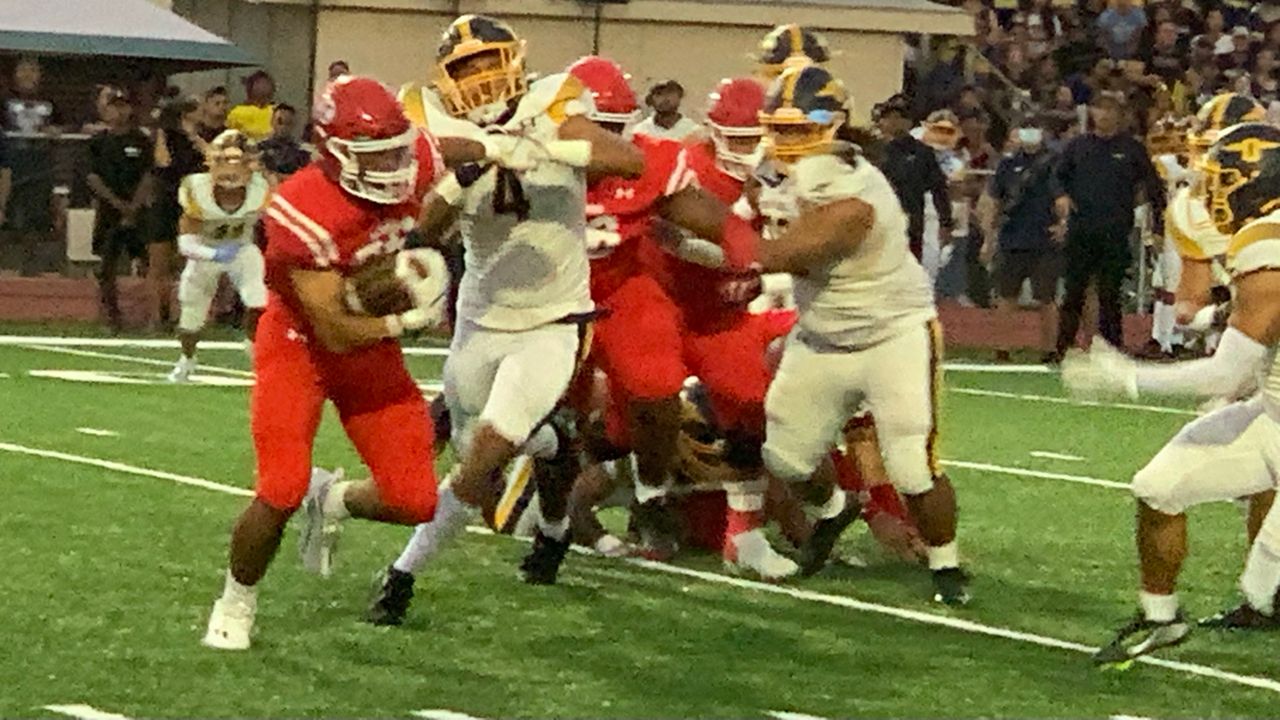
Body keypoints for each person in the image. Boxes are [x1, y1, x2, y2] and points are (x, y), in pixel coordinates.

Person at [365, 16, 647, 625]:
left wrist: (538, 146)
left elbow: (625, 160)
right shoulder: (432, 114)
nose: (481, 77)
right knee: (485, 442)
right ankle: (554, 469)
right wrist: (476, 164)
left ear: (514, 60)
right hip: (482, 316)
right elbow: (428, 206)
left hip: (555, 316)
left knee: (485, 453)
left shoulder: (551, 99)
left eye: (489, 61)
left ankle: (401, 575)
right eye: (465, 68)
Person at [201, 75, 492, 651]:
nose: (390, 163)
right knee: (279, 487)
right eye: (373, 154)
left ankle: (328, 498)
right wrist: (408, 320)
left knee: (416, 500)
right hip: (299, 342)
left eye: (395, 149)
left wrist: (508, 147)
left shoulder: (410, 155)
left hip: (367, 346)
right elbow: (332, 328)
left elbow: (460, 147)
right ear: (334, 154)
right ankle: (237, 598)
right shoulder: (300, 210)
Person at [1060, 121, 1280, 664]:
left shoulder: (1266, 244)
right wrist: (1213, 314)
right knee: (1158, 487)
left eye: (1222, 181)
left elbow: (1223, 376)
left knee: (1263, 588)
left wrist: (1129, 377)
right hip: (1273, 413)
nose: (1212, 194)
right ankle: (1161, 618)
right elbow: (1259, 310)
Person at [749, 64, 968, 604]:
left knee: (913, 466)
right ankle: (835, 509)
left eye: (801, 130)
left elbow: (783, 254)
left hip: (891, 334)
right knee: (785, 460)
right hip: (821, 336)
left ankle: (947, 565)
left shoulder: (854, 186)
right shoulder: (769, 172)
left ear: (833, 126)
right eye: (781, 128)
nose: (787, 142)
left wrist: (710, 238)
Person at [1051, 93, 1164, 360]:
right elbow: (1057, 176)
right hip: (1081, 228)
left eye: (1110, 110)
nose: (1103, 115)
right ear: (1092, 113)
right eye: (1099, 109)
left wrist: (1158, 224)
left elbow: (1153, 187)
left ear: (1120, 115)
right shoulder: (1078, 146)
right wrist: (1061, 196)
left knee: (1110, 292)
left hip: (1115, 229)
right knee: (1074, 291)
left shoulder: (1131, 149)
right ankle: (1062, 348)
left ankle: (1112, 348)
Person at [167, 131, 270, 383]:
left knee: (259, 300)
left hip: (241, 248)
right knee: (191, 312)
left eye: (237, 162)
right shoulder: (196, 188)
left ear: (250, 164)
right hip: (205, 250)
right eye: (224, 161)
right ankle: (187, 359)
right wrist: (214, 253)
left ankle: (254, 347)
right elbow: (185, 242)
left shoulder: (261, 188)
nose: (230, 170)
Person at [980, 121, 1063, 362]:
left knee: (1047, 298)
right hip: (1012, 237)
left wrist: (1063, 225)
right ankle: (1002, 349)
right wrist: (989, 237)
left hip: (1044, 239)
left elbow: (1063, 198)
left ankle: (1049, 349)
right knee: (1006, 296)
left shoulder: (1054, 163)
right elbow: (994, 201)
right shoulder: (1007, 165)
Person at [86, 88, 154, 333]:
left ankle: (154, 315)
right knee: (107, 266)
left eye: (123, 105)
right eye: (114, 106)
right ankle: (111, 316)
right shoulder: (98, 142)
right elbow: (93, 177)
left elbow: (149, 174)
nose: (119, 111)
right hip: (109, 212)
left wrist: (133, 207)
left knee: (148, 261)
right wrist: (118, 204)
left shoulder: (141, 140)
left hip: (139, 212)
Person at [873, 94, 954, 262]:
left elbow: (939, 188)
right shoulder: (874, 152)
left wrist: (945, 222)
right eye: (888, 117)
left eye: (898, 117)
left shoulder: (922, 152)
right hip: (879, 224)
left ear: (909, 122)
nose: (893, 122)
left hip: (911, 222)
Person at [150, 96, 207, 331]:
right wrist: (161, 133)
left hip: (191, 205)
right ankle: (157, 315)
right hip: (167, 201)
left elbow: (212, 161)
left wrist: (197, 140)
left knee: (184, 263)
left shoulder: (197, 142)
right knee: (159, 262)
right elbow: (162, 163)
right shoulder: (167, 138)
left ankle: (180, 314)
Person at [1, 56, 61, 275]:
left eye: (33, 70)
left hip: (38, 165)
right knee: (8, 213)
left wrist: (55, 131)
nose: (28, 75)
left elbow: (64, 125)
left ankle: (30, 265)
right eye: (23, 70)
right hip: (8, 164)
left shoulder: (50, 102)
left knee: (35, 216)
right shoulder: (4, 100)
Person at [634, 80, 703, 141]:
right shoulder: (640, 131)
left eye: (670, 93)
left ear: (680, 97)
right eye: (659, 94)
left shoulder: (693, 131)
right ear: (651, 99)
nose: (665, 98)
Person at [258, 104, 310, 180]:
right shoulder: (261, 148)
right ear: (272, 121)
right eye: (280, 122)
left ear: (293, 125)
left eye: (288, 123)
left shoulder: (300, 153)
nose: (283, 127)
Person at [226, 71, 276, 142]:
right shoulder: (237, 113)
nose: (263, 87)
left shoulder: (275, 111)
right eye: (259, 83)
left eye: (266, 84)